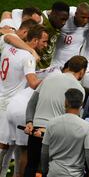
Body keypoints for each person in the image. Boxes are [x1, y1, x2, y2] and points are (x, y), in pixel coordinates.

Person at [24, 55, 87, 177]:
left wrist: (29, 122)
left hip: (35, 129)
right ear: (82, 71)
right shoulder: (79, 89)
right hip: (56, 134)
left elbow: (31, 103)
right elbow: (74, 118)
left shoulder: (48, 79)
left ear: (68, 66)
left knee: (31, 165)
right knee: (50, 170)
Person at [0, 24, 47, 176]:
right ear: (34, 40)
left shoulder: (9, 45)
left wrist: (30, 49)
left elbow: (7, 35)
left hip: (2, 96)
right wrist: (51, 79)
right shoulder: (28, 58)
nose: (46, 45)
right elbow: (33, 83)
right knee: (9, 146)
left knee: (10, 146)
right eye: (44, 41)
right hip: (11, 104)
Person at [41, 88, 89, 177]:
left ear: (66, 102)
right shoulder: (87, 126)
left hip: (53, 172)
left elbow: (44, 151)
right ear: (81, 104)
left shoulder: (51, 123)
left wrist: (44, 170)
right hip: (75, 174)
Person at [50, 2, 89, 69]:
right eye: (83, 17)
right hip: (54, 63)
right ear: (76, 14)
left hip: (72, 66)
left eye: (88, 18)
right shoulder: (66, 18)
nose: (86, 21)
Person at [39, 1, 70, 69]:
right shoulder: (40, 20)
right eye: (62, 19)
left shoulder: (56, 24)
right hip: (35, 66)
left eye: (66, 20)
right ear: (53, 14)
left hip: (46, 68)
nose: (64, 23)